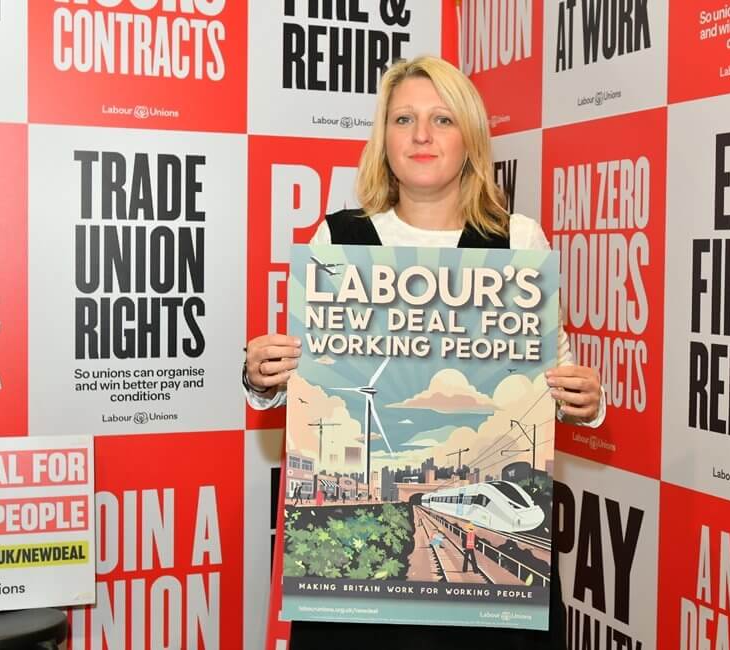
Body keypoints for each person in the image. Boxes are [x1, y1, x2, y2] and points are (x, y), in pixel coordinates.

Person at [244, 55, 605, 650]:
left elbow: (556, 381)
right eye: (403, 118)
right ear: (383, 137)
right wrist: (263, 375)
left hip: (498, 615)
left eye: (441, 120)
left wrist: (587, 401)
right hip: (357, 608)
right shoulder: (337, 236)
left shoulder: (519, 239)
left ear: (470, 137)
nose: (420, 135)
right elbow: (303, 381)